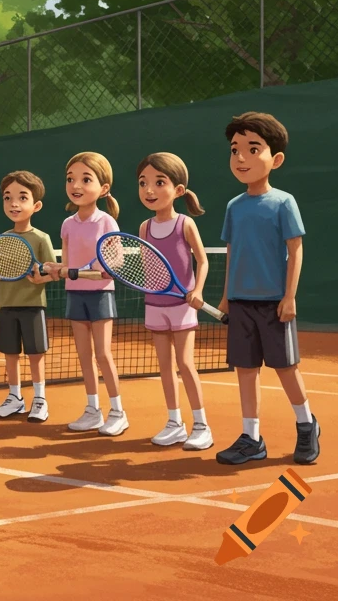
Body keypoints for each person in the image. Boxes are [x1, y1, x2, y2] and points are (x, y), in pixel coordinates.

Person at [215, 112, 319, 466]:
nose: (241, 158)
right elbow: (232, 253)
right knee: (245, 371)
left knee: (286, 368)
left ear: (275, 159)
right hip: (241, 303)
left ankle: (306, 427)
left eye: (252, 149)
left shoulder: (283, 202)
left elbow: (296, 250)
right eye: (235, 150)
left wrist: (289, 296)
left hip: (274, 302)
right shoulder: (233, 207)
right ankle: (251, 437)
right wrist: (228, 295)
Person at [43, 152, 126, 436]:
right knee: (83, 355)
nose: (76, 185)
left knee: (102, 353)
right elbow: (67, 265)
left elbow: (116, 262)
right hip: (74, 293)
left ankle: (117, 412)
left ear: (103, 189)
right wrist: (55, 269)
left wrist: (93, 268)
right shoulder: (67, 225)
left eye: (85, 179)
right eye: (71, 179)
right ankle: (93, 410)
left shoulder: (107, 222)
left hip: (100, 294)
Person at [135, 153, 213, 451]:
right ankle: (174, 423)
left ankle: (202, 426)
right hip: (155, 304)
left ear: (178, 190)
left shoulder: (185, 225)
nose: (149, 190)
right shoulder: (144, 228)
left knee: (185, 363)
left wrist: (198, 290)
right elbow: (148, 266)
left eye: (158, 182)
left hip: (182, 305)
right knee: (165, 366)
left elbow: (203, 262)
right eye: (143, 183)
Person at [0, 170, 55, 423]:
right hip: (6, 306)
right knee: (10, 354)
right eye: (7, 197)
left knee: (35, 355)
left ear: (36, 205)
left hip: (33, 306)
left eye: (22, 198)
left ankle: (40, 399)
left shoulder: (41, 238)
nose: (14, 203)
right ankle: (14, 398)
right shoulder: (3, 239)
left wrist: (40, 277)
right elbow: (0, 274)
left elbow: (53, 272)